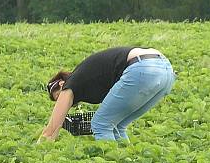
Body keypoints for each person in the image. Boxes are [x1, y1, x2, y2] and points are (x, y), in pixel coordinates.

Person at [40, 46, 176, 142]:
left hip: (142, 68)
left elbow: (51, 131)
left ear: (61, 84)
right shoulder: (87, 81)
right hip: (165, 71)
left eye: (58, 97)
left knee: (100, 125)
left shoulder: (70, 85)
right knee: (118, 125)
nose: (60, 102)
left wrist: (40, 149)